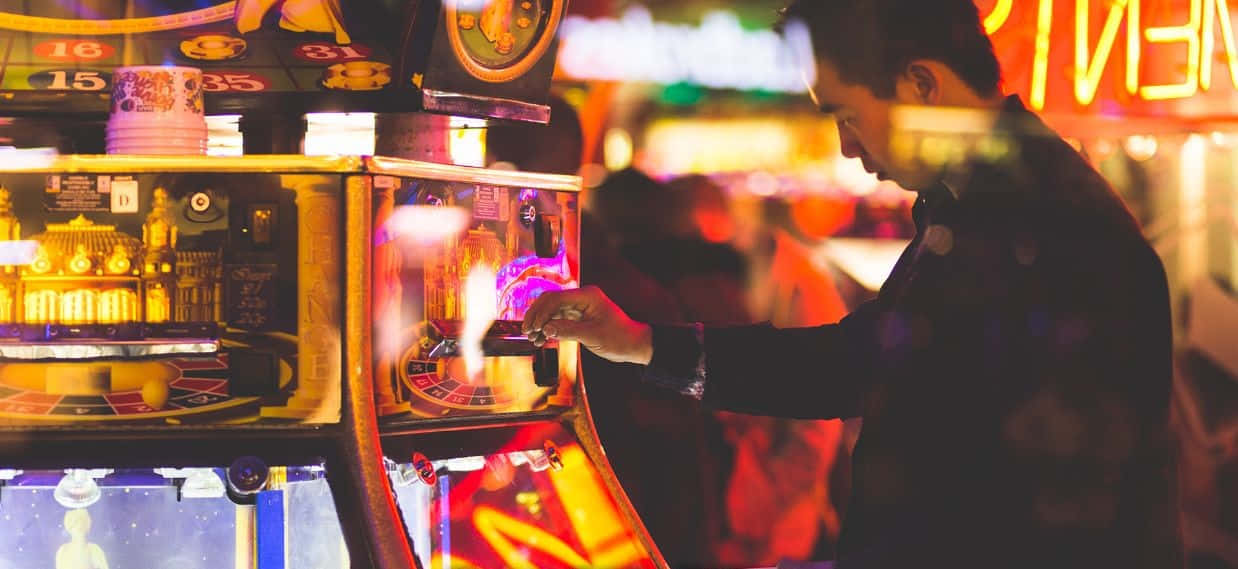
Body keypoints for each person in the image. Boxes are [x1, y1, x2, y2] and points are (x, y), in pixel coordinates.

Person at [522, 1, 1182, 568]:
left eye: (847, 114)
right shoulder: (977, 205)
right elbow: (858, 363)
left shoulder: (1058, 232)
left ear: (922, 83)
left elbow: (1071, 515)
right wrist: (639, 342)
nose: (845, 147)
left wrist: (645, 345)